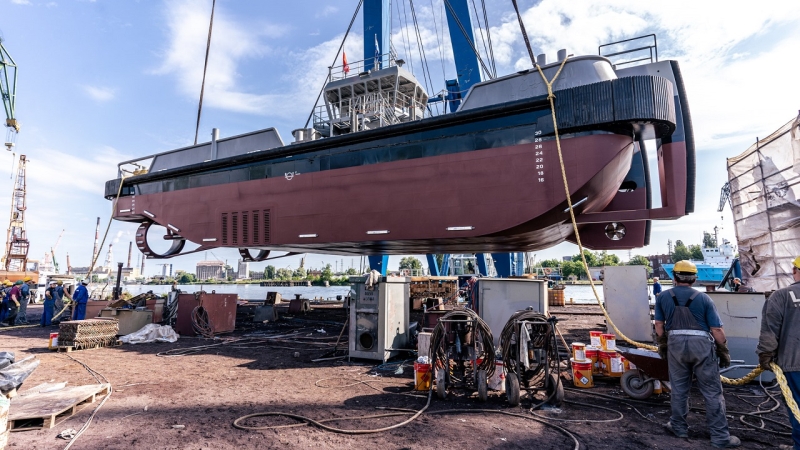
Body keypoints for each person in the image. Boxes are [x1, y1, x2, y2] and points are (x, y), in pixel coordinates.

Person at [654, 260, 740, 448]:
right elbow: (716, 329)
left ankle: (678, 427)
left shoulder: (662, 297)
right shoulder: (704, 299)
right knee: (712, 392)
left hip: (675, 344)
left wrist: (663, 344)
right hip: (701, 345)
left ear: (674, 277)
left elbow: (659, 325)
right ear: (694, 279)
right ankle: (720, 437)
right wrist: (723, 349)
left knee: (679, 389)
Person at [757, 255, 800, 450]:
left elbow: (769, 331)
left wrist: (765, 355)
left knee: (797, 407)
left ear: (794, 271)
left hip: (794, 363)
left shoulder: (781, 296)